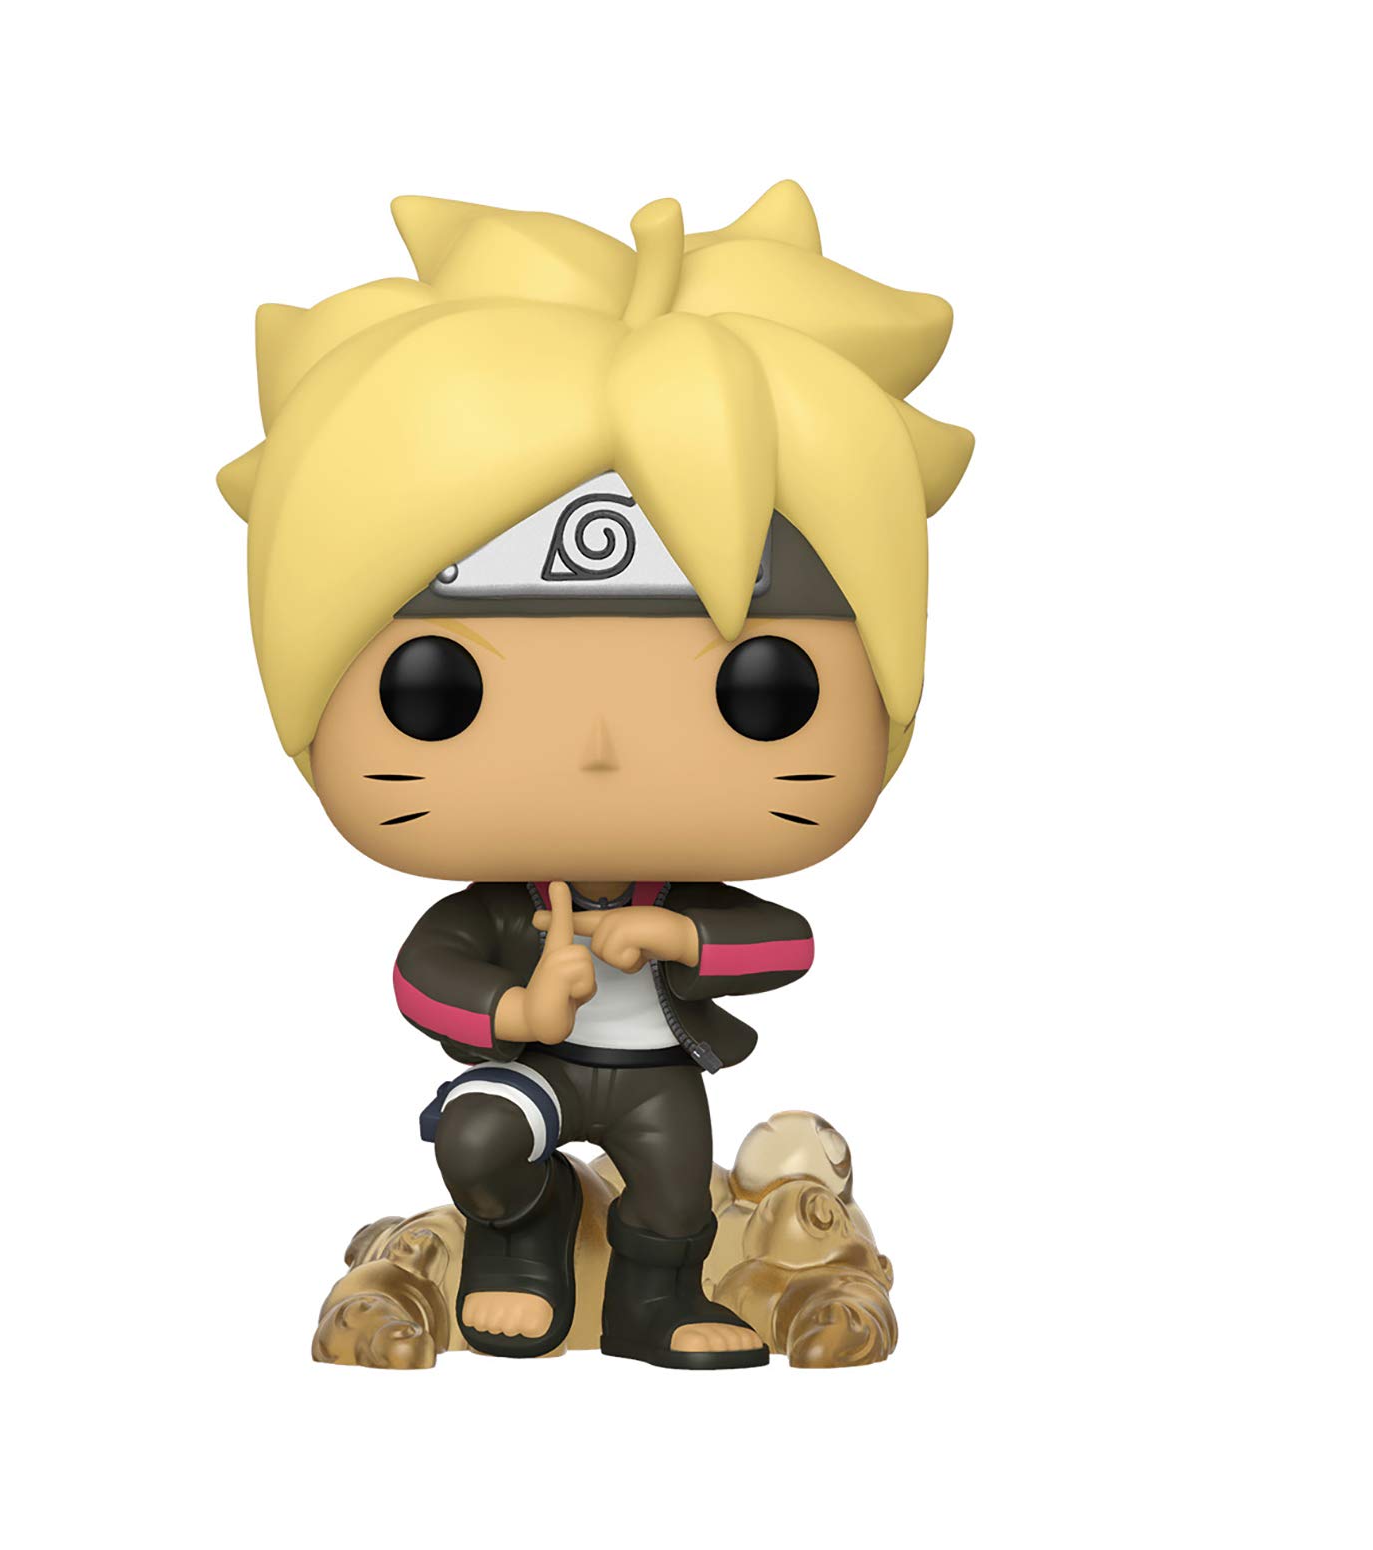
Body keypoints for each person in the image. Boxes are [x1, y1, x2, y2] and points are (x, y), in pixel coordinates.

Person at [217, 182, 971, 1369]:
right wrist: (516, 1012)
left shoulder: (680, 896)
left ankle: (652, 1297)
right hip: (537, 1072)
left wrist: (676, 935)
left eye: (759, 690)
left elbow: (782, 944)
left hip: (656, 1078)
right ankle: (522, 1239)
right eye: (438, 690)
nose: (600, 748)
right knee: (478, 1134)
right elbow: (421, 975)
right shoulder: (504, 910)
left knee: (670, 1186)